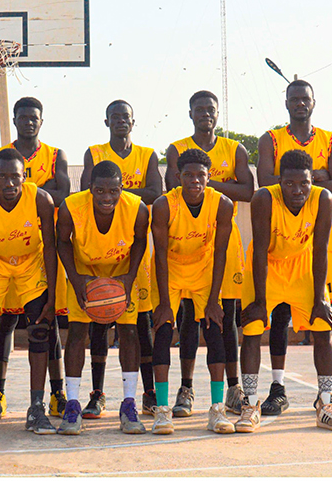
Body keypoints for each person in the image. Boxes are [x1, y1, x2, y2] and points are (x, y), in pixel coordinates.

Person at [255, 80, 332, 417]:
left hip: (316, 240)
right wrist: (316, 174)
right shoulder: (271, 139)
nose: (299, 104)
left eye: (304, 99)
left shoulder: (331, 139)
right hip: (282, 236)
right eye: (294, 99)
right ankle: (277, 388)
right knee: (278, 315)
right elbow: (265, 182)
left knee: (324, 313)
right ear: (286, 103)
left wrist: (307, 178)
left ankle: (329, 393)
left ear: (314, 102)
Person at [241, 150, 332, 432]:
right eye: (289, 184)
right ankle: (250, 405)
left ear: (312, 180)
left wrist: (318, 299)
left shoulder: (322, 199)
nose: (297, 190)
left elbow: (320, 250)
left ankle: (326, 402)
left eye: (304, 183)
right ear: (280, 181)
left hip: (303, 267)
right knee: (253, 327)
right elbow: (261, 251)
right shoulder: (264, 198)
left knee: (322, 325)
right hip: (268, 267)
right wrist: (261, 302)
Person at [162, 90, 255, 416]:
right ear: (190, 113)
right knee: (187, 316)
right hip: (187, 242)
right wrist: (207, 186)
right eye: (199, 110)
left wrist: (205, 186)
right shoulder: (178, 149)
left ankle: (232, 388)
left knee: (224, 316)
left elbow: (248, 190)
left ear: (218, 113)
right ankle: (186, 388)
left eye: (210, 110)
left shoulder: (235, 149)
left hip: (223, 242)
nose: (205, 114)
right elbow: (174, 190)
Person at [0, 148, 59, 436]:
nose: (9, 183)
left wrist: (52, 296)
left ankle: (37, 408)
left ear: (24, 176)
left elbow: (51, 248)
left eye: (14, 176)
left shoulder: (40, 198)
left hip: (30, 264)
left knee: (40, 331)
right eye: (2, 177)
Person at [79, 100, 164, 419]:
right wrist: (129, 194)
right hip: (98, 252)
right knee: (98, 328)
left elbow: (156, 192)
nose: (120, 122)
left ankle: (148, 393)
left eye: (125, 118)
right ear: (106, 122)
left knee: (141, 329)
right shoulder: (95, 152)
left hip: (133, 254)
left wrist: (116, 194)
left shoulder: (147, 154)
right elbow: (91, 190)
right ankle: (97, 394)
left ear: (133, 122)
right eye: (115, 117)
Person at [55, 161, 152, 435]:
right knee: (76, 334)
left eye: (113, 191)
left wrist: (130, 277)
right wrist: (75, 281)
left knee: (130, 334)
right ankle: (72, 404)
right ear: (90, 189)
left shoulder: (137, 208)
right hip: (85, 272)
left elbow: (141, 241)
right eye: (100, 191)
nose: (106, 197)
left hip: (122, 272)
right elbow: (62, 241)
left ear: (122, 189)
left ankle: (129, 404)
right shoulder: (71, 207)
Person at [0, 96, 73, 423]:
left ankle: (56, 393)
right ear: (15, 120)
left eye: (34, 117)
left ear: (41, 121)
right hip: (6, 247)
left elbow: (64, 195)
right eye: (23, 117)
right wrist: (43, 190)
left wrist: (27, 189)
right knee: (5, 321)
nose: (29, 121)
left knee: (47, 320)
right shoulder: (1, 156)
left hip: (44, 245)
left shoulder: (56, 155)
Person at [149, 148, 235, 434]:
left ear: (209, 178)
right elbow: (160, 254)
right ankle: (162, 410)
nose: (195, 181)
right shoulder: (163, 205)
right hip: (169, 270)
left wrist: (213, 299)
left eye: (201, 175)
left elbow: (220, 252)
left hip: (203, 269)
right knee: (162, 330)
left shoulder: (222, 204)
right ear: (178, 177)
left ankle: (217, 409)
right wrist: (164, 303)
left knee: (215, 331)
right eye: (189, 175)